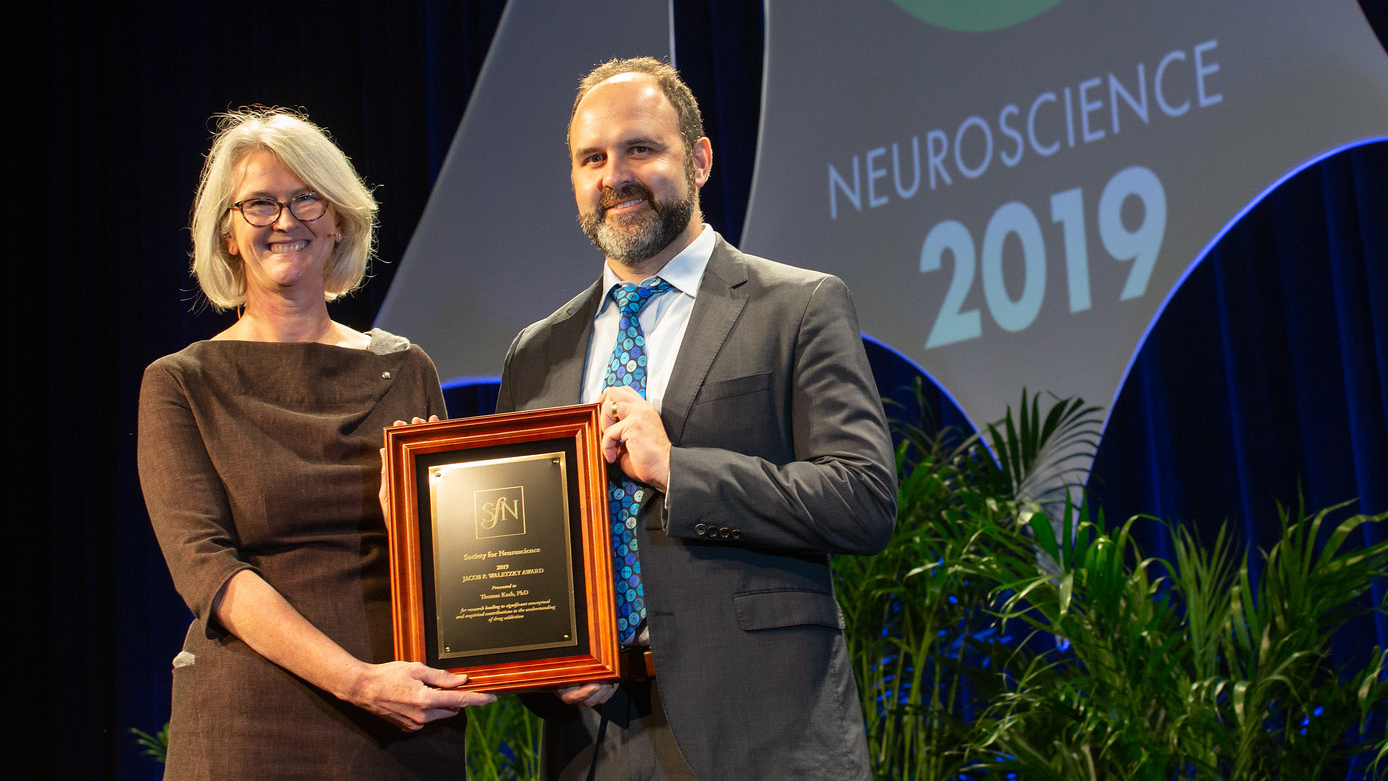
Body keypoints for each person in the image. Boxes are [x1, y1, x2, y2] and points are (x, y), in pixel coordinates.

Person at [495, 57, 898, 780]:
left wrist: (678, 469)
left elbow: (863, 499)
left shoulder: (797, 306)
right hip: (593, 741)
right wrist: (538, 663)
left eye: (641, 149)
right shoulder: (536, 353)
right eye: (592, 158)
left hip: (763, 733)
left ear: (701, 159)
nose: (615, 174)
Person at [137, 108, 494, 780]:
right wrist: (359, 682)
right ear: (229, 232)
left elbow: (462, 565)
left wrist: (412, 516)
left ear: (339, 221)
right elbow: (210, 574)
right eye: (260, 204)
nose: (285, 220)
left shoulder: (407, 368)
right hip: (250, 731)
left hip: (404, 723)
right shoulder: (181, 384)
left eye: (307, 199)